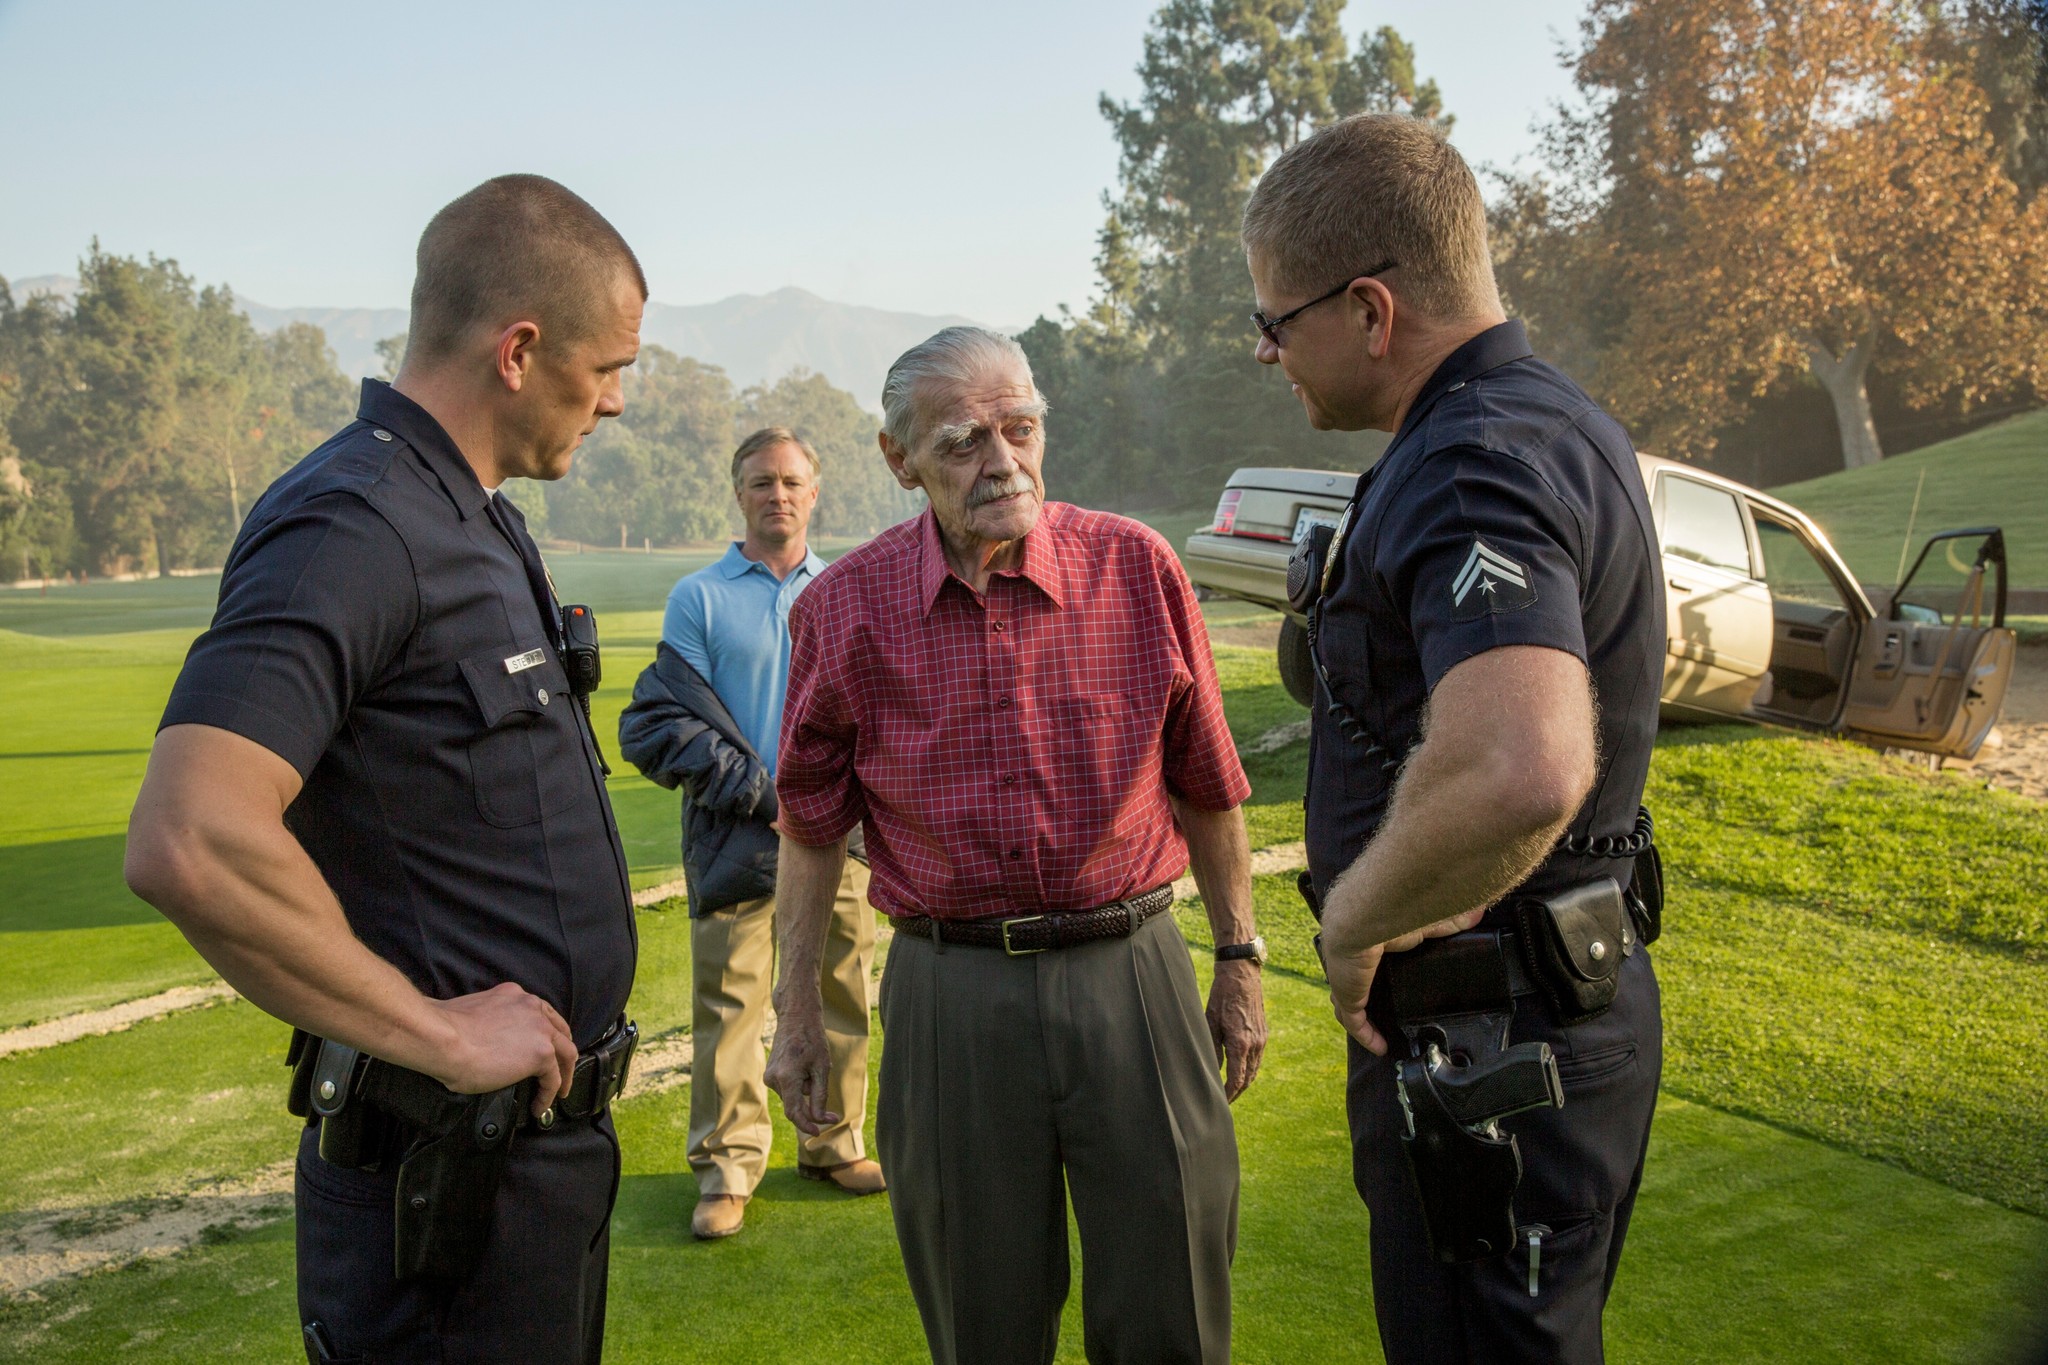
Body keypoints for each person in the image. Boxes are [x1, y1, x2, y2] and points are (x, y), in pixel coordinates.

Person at [123, 174, 646, 1365]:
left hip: (525, 1170)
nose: (615, 400)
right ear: (519, 349)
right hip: (438, 1176)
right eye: (608, 366)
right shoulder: (354, 523)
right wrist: (439, 1034)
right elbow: (192, 835)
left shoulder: (474, 516)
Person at [1241, 114, 1665, 1364]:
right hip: (1548, 999)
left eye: (1275, 323)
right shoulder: (1549, 420)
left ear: (1369, 310)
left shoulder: (1470, 461)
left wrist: (1352, 921)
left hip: (1493, 1032)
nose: (1266, 353)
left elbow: (1515, 764)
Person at [762, 326, 1267, 1365]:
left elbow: (1208, 787)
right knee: (981, 1323)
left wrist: (1239, 958)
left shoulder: (1135, 569)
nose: (1001, 463)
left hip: (1134, 977)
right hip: (949, 997)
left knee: (1171, 1307)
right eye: (960, 443)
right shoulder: (841, 611)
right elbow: (809, 829)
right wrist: (794, 1015)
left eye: (1020, 429)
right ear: (899, 459)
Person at [618, 426, 883, 1243]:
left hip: (834, 836)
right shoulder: (697, 598)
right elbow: (675, 724)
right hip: (740, 834)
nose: (779, 494)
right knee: (731, 1005)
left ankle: (833, 1140)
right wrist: (764, 797)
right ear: (739, 493)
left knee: (843, 989)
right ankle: (728, 1167)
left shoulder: (843, 587)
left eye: (792, 481)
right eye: (762, 482)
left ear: (816, 491)